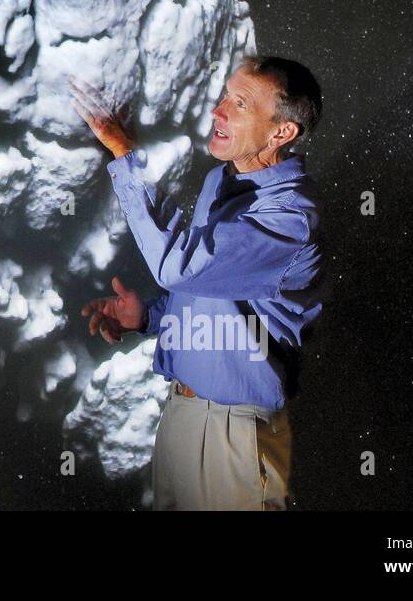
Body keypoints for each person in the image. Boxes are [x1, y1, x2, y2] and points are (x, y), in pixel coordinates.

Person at [68, 56, 326, 510]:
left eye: (240, 103)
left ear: (281, 133)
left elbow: (179, 266)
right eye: (226, 94)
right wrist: (149, 315)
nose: (218, 111)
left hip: (236, 430)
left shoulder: (290, 217)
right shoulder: (219, 181)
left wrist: (125, 155)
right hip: (182, 413)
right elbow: (210, 292)